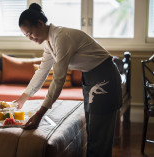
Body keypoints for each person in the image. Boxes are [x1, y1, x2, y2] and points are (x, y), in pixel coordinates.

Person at [15, 3, 122, 157]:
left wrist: (40, 114)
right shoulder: (48, 43)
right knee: (92, 134)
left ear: (40, 24)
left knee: (100, 138)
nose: (31, 38)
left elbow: (58, 79)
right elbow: (42, 72)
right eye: (27, 36)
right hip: (90, 77)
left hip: (104, 76)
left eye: (31, 33)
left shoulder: (61, 37)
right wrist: (23, 97)